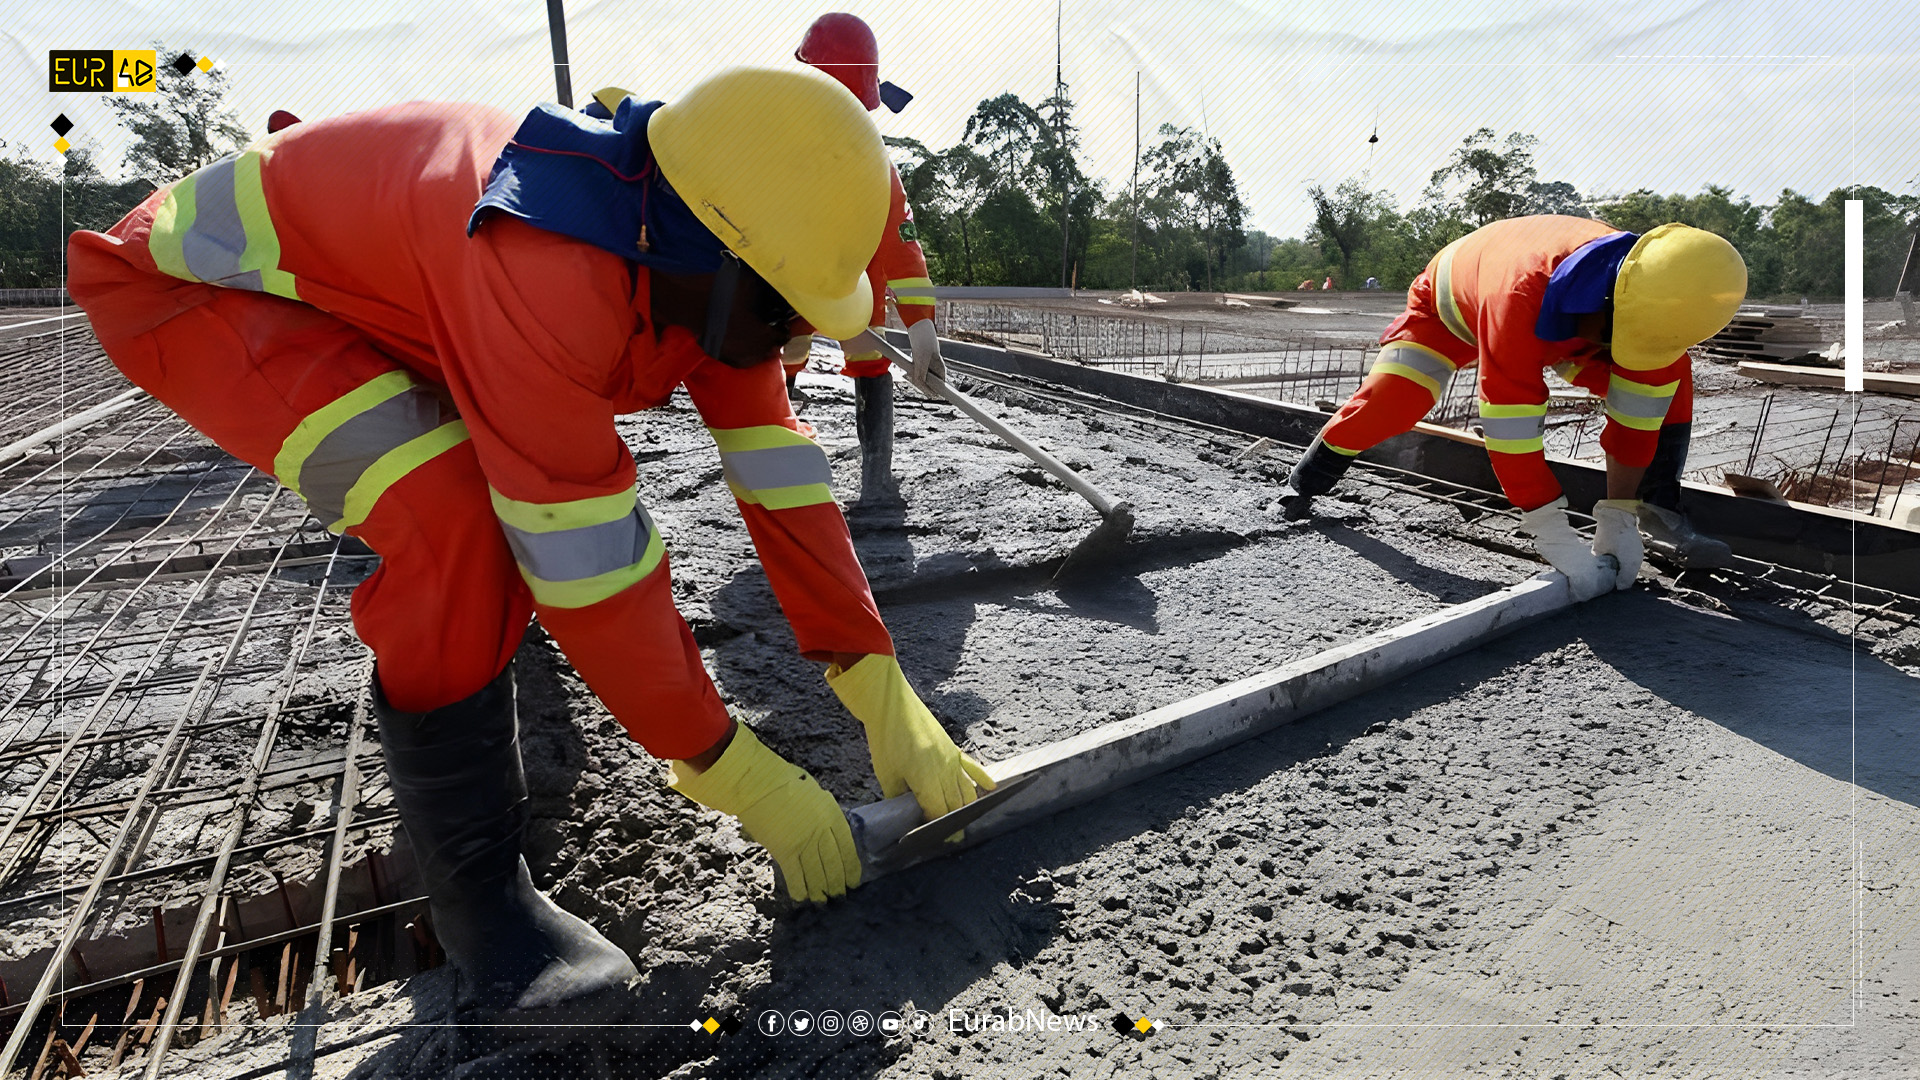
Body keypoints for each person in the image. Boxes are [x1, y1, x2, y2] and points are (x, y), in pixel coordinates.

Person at [65, 68, 992, 1029]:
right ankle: (489, 923)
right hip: (198, 290)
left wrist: (879, 682)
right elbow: (589, 566)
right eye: (785, 312)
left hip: (378, 296)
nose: (792, 341)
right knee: (454, 519)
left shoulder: (682, 249)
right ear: (716, 256)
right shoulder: (547, 265)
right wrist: (728, 767)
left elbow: (780, 471)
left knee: (492, 511)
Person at [1277, 216, 1746, 597]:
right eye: (1621, 340)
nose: (1627, 353)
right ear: (1608, 304)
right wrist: (1549, 527)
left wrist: (1618, 510)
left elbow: (1638, 418)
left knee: (1671, 381)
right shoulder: (1518, 297)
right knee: (1395, 402)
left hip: (1570, 327)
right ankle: (1311, 475)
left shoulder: (1654, 304)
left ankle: (1656, 511)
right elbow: (1510, 425)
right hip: (1450, 312)